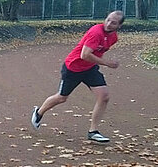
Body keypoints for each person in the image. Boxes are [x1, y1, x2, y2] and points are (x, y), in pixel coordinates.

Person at [31, 10, 125, 143]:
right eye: (108, 19)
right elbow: (84, 55)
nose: (109, 24)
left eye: (113, 22)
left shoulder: (113, 37)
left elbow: (98, 52)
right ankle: (39, 112)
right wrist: (107, 63)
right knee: (62, 98)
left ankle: (93, 131)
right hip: (73, 68)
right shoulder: (96, 32)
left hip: (90, 69)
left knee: (104, 96)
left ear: (119, 26)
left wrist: (99, 62)